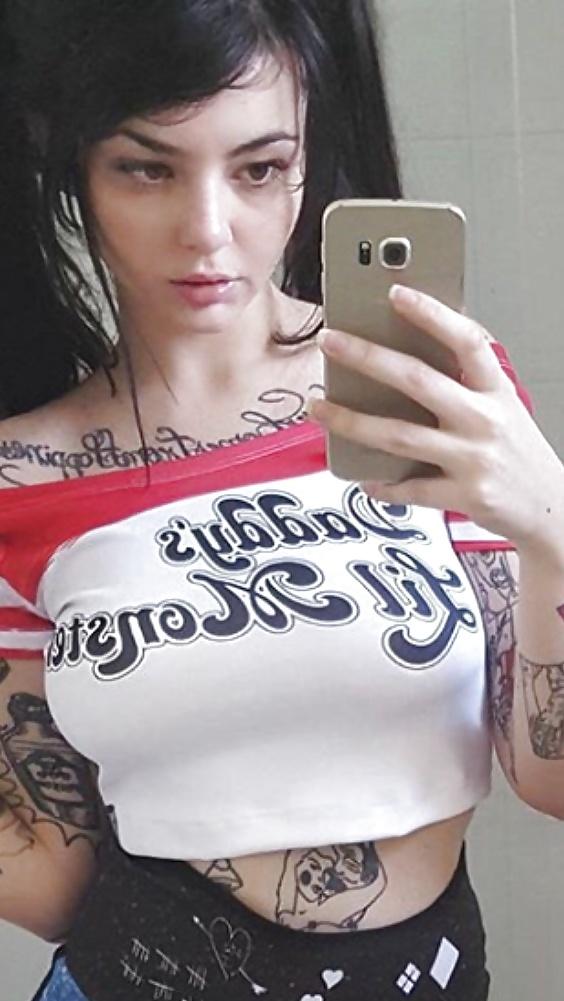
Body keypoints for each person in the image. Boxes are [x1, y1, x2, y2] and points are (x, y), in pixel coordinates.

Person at [0, 2, 563, 999]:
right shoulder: (25, 475)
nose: (209, 231)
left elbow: (549, 774)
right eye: (147, 169)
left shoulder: (428, 397)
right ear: (74, 164)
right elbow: (53, 876)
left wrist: (552, 525)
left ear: (307, 155)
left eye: (259, 167)